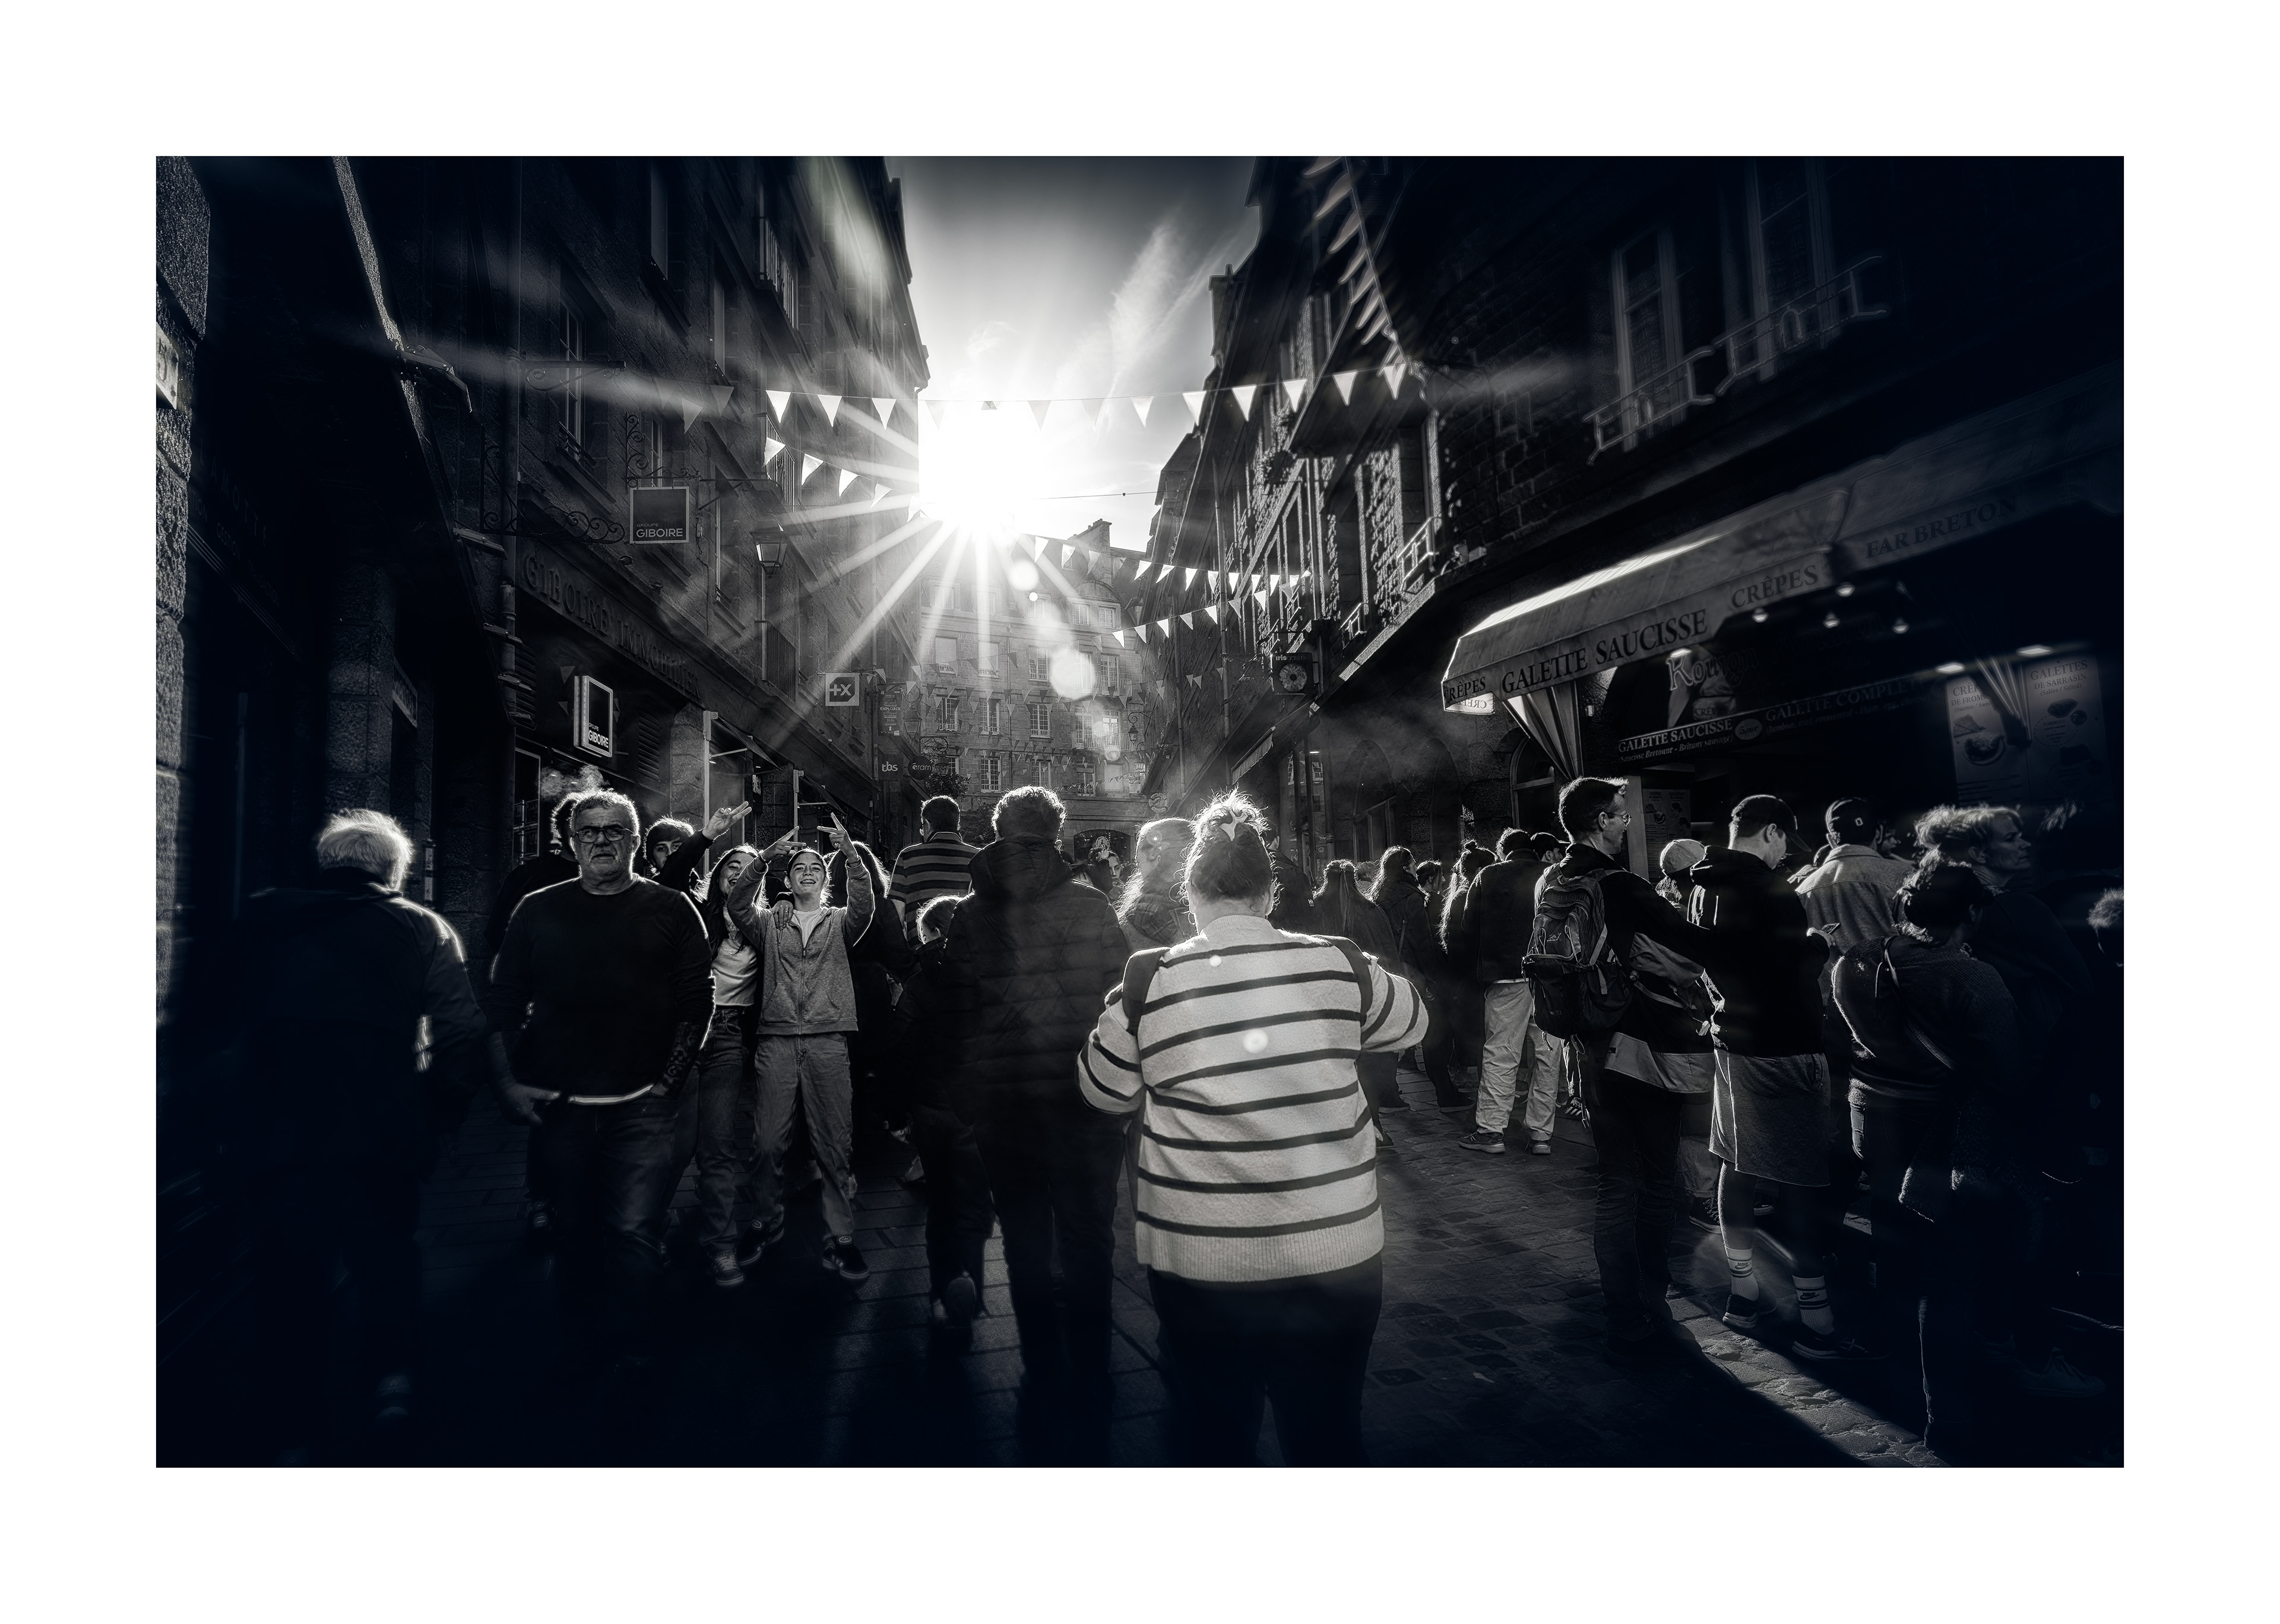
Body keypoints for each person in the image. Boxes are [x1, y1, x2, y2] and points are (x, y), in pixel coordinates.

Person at [1078, 794, 1426, 1465]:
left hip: (1202, 1260)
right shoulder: (1341, 961)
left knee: (1215, 1435)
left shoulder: (1149, 980)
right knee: (1328, 1434)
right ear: (1270, 894)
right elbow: (1412, 1021)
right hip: (1336, 1252)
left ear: (1191, 893)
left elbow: (1102, 1088)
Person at [191, 809, 496, 1459]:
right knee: (385, 1253)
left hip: (276, 1130)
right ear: (393, 871)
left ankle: (291, 1411)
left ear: (327, 864)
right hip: (379, 1128)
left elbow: (209, 1019)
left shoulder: (261, 917)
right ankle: (392, 1381)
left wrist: (223, 1120)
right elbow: (463, 1028)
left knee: (287, 1268)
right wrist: (442, 1109)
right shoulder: (422, 927)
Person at [1829, 866, 2093, 1459]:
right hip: (1939, 1137)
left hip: (1872, 1120)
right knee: (1948, 1276)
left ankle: (1898, 1375)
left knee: (1896, 1251)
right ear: (1972, 914)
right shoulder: (1974, 978)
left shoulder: (1857, 959)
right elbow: (2009, 1073)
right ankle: (1946, 1419)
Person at [931, 784, 1133, 1461]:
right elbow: (1118, 1007)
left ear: (998, 829)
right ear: (1056, 831)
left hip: (1004, 1105)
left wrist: (969, 1098)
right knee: (1088, 1236)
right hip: (1084, 1102)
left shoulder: (968, 913)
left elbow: (953, 1015)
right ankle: (1093, 1363)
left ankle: (1043, 1362)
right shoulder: (1092, 905)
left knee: (1024, 1237)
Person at [483, 790, 714, 1380]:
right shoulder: (538, 908)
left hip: (641, 1103)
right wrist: (507, 1082)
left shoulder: (671, 908)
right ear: (572, 841)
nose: (602, 839)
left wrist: (670, 1081)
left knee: (634, 1228)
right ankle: (581, 1337)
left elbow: (697, 1000)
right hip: (561, 1102)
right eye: (590, 831)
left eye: (615, 830)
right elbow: (503, 998)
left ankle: (634, 1343)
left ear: (636, 842)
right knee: (574, 1226)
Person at [1685, 793, 1880, 1361]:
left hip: (1732, 1041)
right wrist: (1818, 944)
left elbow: (1726, 963)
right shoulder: (1770, 889)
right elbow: (1786, 976)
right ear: (1770, 832)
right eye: (1782, 842)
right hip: (1784, 1047)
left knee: (1738, 1165)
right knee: (1801, 1181)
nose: (1782, 854)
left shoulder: (1702, 885)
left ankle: (1744, 1294)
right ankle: (1816, 1323)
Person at [720, 813, 878, 1283]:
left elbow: (866, 903)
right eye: (799, 868)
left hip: (829, 1037)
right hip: (778, 1039)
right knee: (767, 1142)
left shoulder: (840, 922)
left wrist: (850, 855)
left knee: (834, 1144)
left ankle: (839, 1237)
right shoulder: (770, 922)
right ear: (787, 880)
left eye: (815, 868)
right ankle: (765, 1220)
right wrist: (764, 860)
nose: (808, 872)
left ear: (825, 880)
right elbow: (737, 901)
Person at [483, 790, 583, 1251]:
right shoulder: (532, 876)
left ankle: (573, 1203)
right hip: (548, 1012)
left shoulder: (617, 877)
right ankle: (543, 1201)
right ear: (567, 831)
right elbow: (498, 939)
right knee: (553, 1108)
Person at [894, 894, 997, 1337]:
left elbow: (902, 1045)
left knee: (941, 1204)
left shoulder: (921, 981)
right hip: (982, 1106)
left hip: (932, 1107)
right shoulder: (992, 970)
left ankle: (941, 1293)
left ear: (933, 933)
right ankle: (969, 1286)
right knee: (974, 1203)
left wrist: (895, 1110)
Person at [680, 842, 764, 1288]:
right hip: (684, 1034)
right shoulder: (696, 912)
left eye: (750, 867)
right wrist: (703, 839)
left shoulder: (763, 925)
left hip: (729, 1035)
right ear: (717, 875)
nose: (740, 872)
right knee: (674, 1146)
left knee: (718, 1144)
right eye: (733, 865)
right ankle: (644, 1230)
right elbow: (668, 883)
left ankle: (721, 1244)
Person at [1449, 828, 1561, 1153]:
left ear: (1503, 851)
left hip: (1506, 976)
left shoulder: (1489, 875)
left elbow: (1468, 927)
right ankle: (1541, 1134)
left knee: (1501, 1053)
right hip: (1550, 979)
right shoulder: (1553, 874)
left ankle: (1491, 1131)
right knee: (1548, 1056)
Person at [1654, 841, 1725, 1229]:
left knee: (1701, 1115)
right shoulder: (1684, 916)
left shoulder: (1669, 910)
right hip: (1691, 1031)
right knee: (1698, 1118)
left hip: (1686, 1030)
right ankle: (1702, 1197)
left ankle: (1710, 1192)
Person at [1310, 860, 1407, 1132]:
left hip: (1327, 996)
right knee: (1369, 1060)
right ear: (1355, 880)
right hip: (1365, 994)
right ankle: (1373, 1125)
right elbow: (1388, 954)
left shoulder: (1314, 909)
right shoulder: (1371, 911)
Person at [1793, 798, 1918, 952]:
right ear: (1878, 833)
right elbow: (1922, 942)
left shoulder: (1804, 890)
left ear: (1831, 840)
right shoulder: (1905, 876)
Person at [1436, 844, 1497, 1100]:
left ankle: (1484, 1096)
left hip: (1465, 980)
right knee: (1484, 1042)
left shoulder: (1459, 895)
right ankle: (1485, 1101)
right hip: (1475, 980)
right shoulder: (1471, 897)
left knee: (1480, 1041)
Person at [888, 795, 979, 941]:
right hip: (965, 951)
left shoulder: (908, 857)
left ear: (927, 825)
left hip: (920, 951)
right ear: (957, 826)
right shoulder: (977, 858)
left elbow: (896, 917)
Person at [1116, 816, 1197, 952]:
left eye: (1139, 864)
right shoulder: (1212, 900)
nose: (1139, 872)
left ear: (1157, 859)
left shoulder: (1147, 911)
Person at [653, 800, 756, 901]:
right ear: (718, 876)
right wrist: (707, 835)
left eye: (750, 870)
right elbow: (672, 876)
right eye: (734, 867)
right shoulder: (696, 907)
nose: (740, 874)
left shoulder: (763, 914)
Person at [1259, 811, 1319, 935]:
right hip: (1293, 941)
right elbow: (1309, 918)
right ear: (1277, 841)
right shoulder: (1295, 874)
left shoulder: (1244, 873)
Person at [641, 818, 696, 882]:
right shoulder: (645, 889)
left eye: (676, 847)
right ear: (652, 860)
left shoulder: (705, 888)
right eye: (662, 849)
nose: (669, 854)